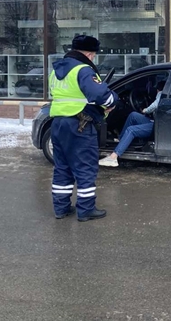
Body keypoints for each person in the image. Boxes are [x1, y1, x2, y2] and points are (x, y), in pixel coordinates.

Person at [50, 35, 118, 222]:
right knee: (85, 168)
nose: (93, 58)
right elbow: (99, 94)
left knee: (62, 167)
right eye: (93, 55)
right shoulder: (83, 69)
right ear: (89, 53)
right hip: (79, 124)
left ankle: (61, 208)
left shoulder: (56, 70)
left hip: (57, 124)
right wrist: (112, 100)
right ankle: (86, 209)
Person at [99, 79, 166, 167]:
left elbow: (155, 105)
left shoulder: (161, 94)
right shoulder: (167, 94)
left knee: (131, 130)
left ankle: (113, 157)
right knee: (133, 115)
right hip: (156, 122)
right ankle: (121, 139)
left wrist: (145, 110)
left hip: (158, 126)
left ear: (158, 90)